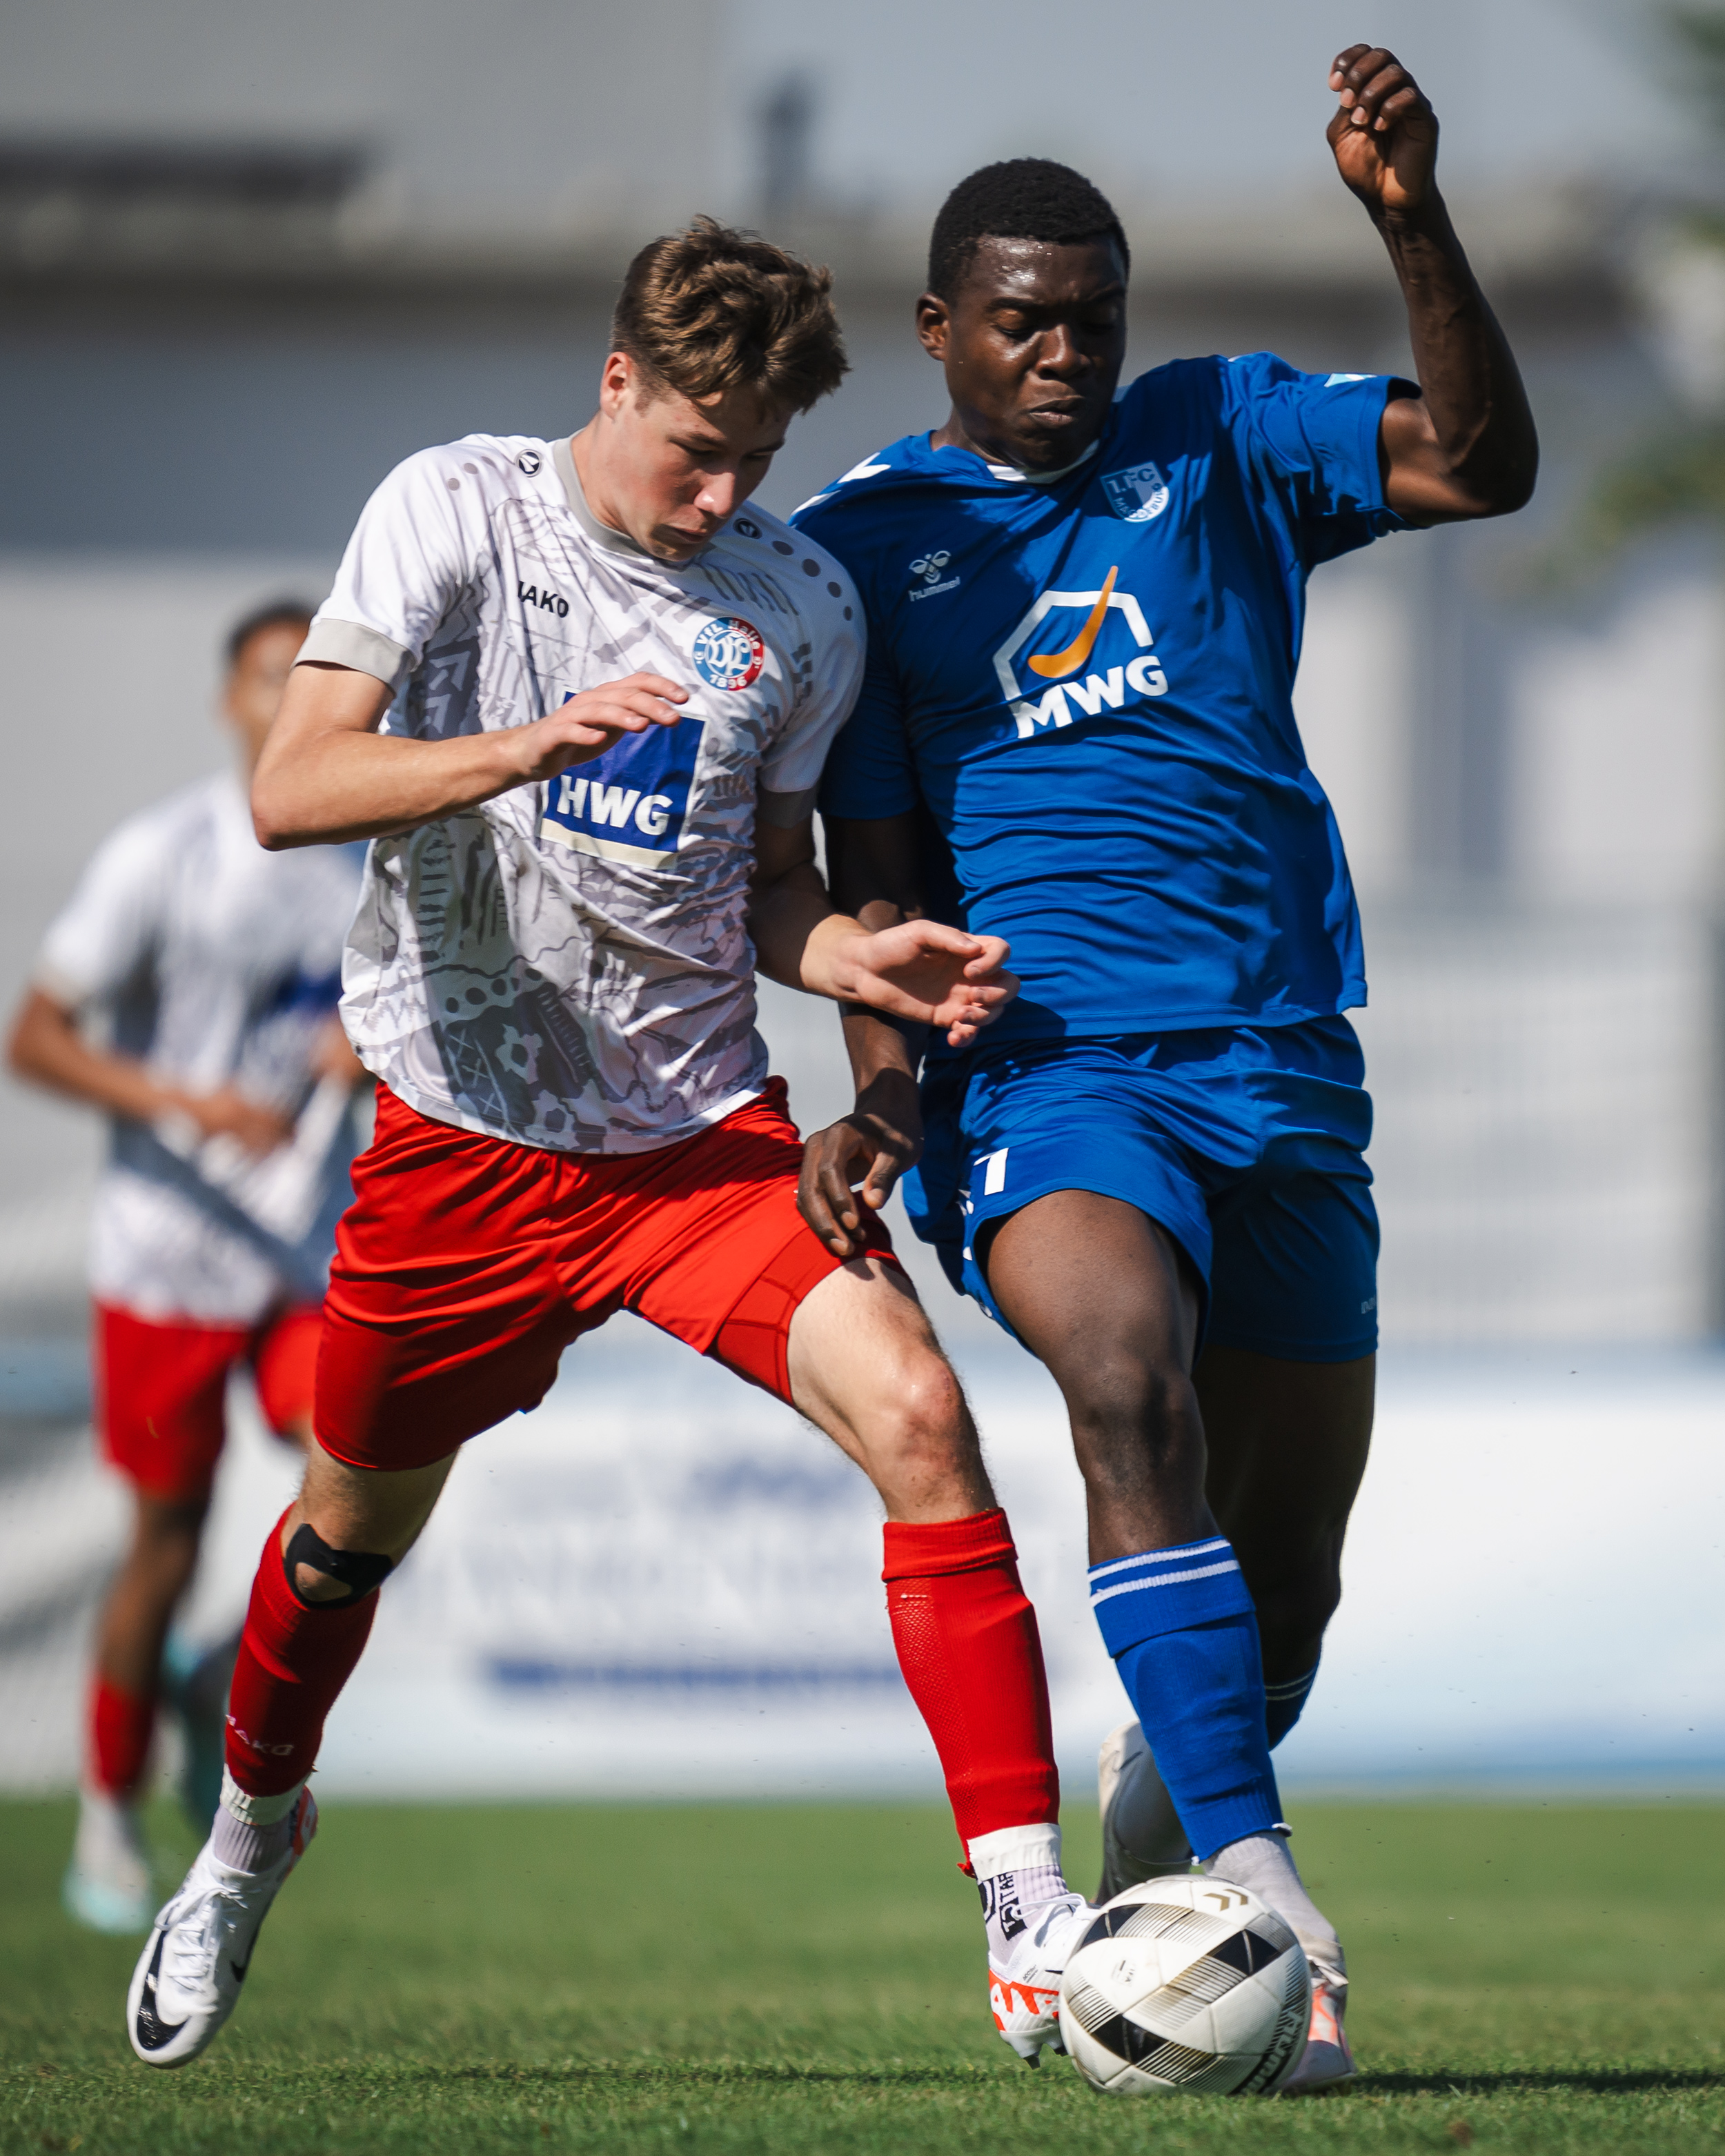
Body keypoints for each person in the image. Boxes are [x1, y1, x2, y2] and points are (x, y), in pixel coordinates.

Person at [124, 219, 1091, 2074]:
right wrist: (520, 741)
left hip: (693, 1144)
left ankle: (1024, 1912)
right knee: (342, 1539)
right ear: (616, 378)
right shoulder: (455, 510)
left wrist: (847, 955)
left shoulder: (796, 604)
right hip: (457, 1146)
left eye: (758, 462)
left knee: (919, 1410)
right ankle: (246, 1837)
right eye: (692, 451)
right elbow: (290, 786)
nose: (717, 494)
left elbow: (775, 892)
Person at [793, 46, 1537, 2093]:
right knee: (1126, 1385)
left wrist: (1408, 219)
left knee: (1286, 1580)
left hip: (1282, 1060)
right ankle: (1262, 1885)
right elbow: (871, 871)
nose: (1058, 355)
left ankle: (1191, 1777)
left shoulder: (1215, 433)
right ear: (939, 325)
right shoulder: (863, 543)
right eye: (1018, 321)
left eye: (1088, 321)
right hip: (1044, 1067)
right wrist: (882, 1096)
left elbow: (1480, 462)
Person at [6, 601, 369, 1934]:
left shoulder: (372, 865)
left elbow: (434, 1024)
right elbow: (34, 1035)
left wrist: (370, 1045)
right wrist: (183, 1101)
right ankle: (108, 1807)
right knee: (164, 1532)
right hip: (164, 1258)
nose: (292, 703)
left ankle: (229, 1670)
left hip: (300, 1256)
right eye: (272, 680)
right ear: (231, 702)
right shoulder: (165, 855)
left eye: (314, 679)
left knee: (364, 1478)